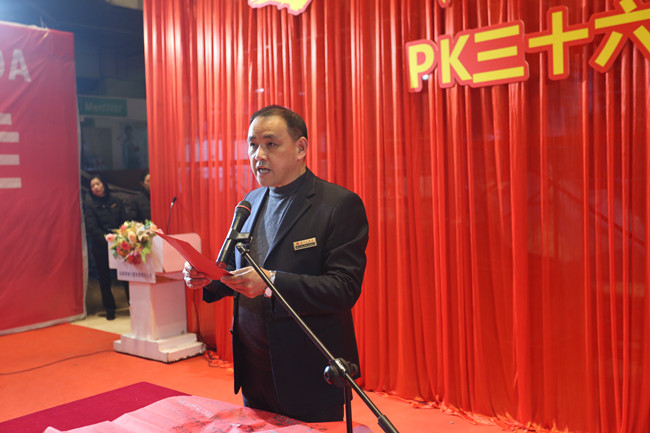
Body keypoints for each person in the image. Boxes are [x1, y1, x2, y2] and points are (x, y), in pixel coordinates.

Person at [183, 105, 369, 422]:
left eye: (271, 144)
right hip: (254, 367)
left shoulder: (338, 204)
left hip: (308, 370)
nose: (259, 155)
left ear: (301, 148)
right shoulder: (250, 202)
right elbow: (235, 271)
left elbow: (344, 289)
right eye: (253, 145)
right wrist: (208, 277)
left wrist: (271, 281)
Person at [84, 176, 129, 320]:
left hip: (119, 244)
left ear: (104, 184)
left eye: (97, 184)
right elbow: (91, 227)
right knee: (104, 279)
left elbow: (124, 221)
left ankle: (132, 305)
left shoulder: (117, 201)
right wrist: (107, 239)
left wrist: (119, 236)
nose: (95, 187)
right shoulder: (90, 205)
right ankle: (110, 309)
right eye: (92, 186)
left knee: (126, 276)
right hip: (101, 246)